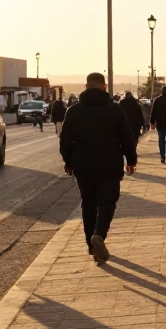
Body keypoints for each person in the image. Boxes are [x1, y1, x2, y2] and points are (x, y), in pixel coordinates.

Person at [59, 72, 137, 263]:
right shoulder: (115, 110)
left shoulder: (73, 111)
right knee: (107, 202)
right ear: (104, 87)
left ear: (86, 87)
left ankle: (91, 245)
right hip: (110, 163)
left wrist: (68, 161)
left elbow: (65, 141)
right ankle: (99, 235)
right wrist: (131, 160)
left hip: (83, 165)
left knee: (88, 203)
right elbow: (127, 136)